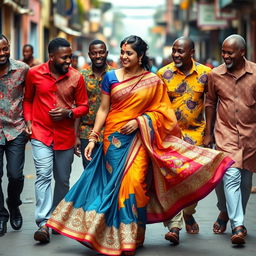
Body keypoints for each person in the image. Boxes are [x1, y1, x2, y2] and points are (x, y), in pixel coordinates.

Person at [47, 35, 232, 255]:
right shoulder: (110, 77)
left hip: (140, 140)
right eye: (123, 52)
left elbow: (163, 113)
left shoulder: (152, 81)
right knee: (113, 188)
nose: (124, 57)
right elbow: (104, 109)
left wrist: (139, 121)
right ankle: (111, 234)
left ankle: (132, 235)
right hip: (113, 141)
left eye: (129, 53)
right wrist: (94, 137)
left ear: (140, 56)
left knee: (135, 184)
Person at [23, 37, 89, 243]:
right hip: (41, 133)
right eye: (64, 58)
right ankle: (44, 221)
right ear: (51, 57)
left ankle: (58, 218)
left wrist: (68, 113)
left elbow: (84, 106)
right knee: (43, 175)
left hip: (65, 136)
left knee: (62, 179)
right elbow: (27, 99)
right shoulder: (34, 73)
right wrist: (29, 122)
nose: (69, 61)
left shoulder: (76, 77)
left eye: (70, 57)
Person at [157, 36, 211, 244]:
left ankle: (188, 212)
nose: (176, 55)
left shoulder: (206, 74)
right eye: (174, 51)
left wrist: (210, 134)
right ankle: (175, 226)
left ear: (192, 52)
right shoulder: (163, 74)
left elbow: (212, 103)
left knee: (193, 184)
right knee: (172, 182)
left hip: (196, 136)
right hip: (170, 138)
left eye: (181, 51)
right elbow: (157, 107)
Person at [204, 34, 256, 245]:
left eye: (229, 52)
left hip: (250, 136)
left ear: (241, 52)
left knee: (245, 183)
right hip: (225, 134)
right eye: (223, 52)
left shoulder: (255, 73)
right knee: (230, 176)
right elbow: (210, 102)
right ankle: (238, 225)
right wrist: (208, 133)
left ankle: (226, 212)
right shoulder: (215, 75)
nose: (224, 56)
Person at [0, 34, 29, 236]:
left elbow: (32, 96)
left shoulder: (22, 69)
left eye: (5, 48)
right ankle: (1, 216)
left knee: (15, 175)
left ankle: (14, 203)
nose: (2, 53)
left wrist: (30, 121)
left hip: (16, 129)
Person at [76, 39, 113, 168]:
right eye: (94, 53)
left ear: (106, 53)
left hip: (109, 132)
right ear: (89, 55)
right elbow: (78, 106)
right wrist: (76, 136)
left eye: (101, 52)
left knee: (108, 173)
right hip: (86, 131)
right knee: (90, 173)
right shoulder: (81, 76)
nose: (98, 56)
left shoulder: (115, 75)